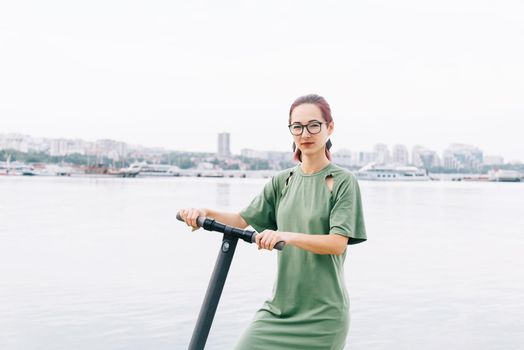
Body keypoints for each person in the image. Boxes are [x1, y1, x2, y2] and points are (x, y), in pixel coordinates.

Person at [179, 94, 367, 349]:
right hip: (278, 310)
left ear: (329, 127)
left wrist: (286, 235)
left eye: (314, 125)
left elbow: (337, 244)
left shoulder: (342, 182)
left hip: (324, 315)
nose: (305, 134)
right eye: (297, 127)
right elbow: (239, 219)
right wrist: (203, 212)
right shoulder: (283, 181)